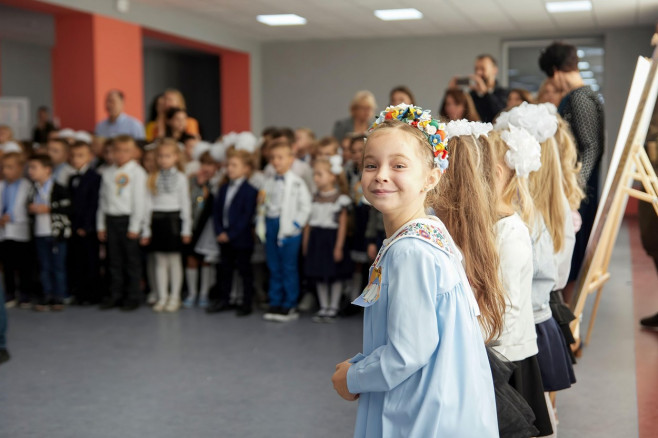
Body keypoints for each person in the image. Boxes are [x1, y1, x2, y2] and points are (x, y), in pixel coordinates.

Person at [332, 104, 498, 437]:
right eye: (370, 164)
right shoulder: (427, 231)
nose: (380, 174)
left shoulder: (410, 251)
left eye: (398, 165)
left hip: (422, 416)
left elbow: (408, 352)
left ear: (431, 177)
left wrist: (352, 378)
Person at [479, 128, 554, 436]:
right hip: (492, 351)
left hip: (506, 358)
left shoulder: (511, 233)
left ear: (494, 173)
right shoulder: (490, 225)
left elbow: (505, 309)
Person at [539, 41, 604, 284]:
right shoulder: (582, 96)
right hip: (576, 186)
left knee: (573, 254)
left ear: (555, 72)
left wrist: (575, 187)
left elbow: (591, 146)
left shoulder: (580, 98)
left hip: (579, 190)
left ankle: (569, 312)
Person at [262, 139, 312, 322]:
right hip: (271, 225)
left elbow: (305, 207)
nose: (276, 161)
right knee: (274, 267)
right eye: (273, 158)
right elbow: (264, 205)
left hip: (289, 231)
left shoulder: (297, 182)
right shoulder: (268, 182)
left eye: (280, 157)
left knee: (289, 267)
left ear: (290, 159)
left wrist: (296, 226)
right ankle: (275, 301)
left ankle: (290, 304)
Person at [97, 136, 147, 311]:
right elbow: (103, 201)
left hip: (128, 220)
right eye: (117, 150)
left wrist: (135, 226)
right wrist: (101, 225)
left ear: (133, 152)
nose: (121, 154)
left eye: (126, 150)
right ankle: (115, 294)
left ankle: (133, 296)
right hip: (111, 219)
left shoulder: (137, 172)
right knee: (114, 260)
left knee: (131, 261)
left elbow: (139, 202)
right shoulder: (108, 172)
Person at [141, 139, 192, 313]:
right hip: (157, 220)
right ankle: (162, 295)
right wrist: (146, 228)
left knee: (174, 261)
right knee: (159, 261)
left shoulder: (181, 178)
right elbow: (147, 205)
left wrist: (186, 228)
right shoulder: (151, 177)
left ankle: (175, 296)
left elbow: (185, 205)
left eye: (168, 156)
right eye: (161, 156)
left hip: (174, 220)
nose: (164, 160)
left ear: (176, 157)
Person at [207, 149, 258, 316]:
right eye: (228, 165)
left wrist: (231, 233)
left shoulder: (251, 190)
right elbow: (216, 213)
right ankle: (224, 299)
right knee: (225, 270)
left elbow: (246, 216)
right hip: (223, 237)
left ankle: (246, 302)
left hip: (240, 238)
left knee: (244, 271)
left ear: (246, 168)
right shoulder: (222, 189)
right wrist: (220, 231)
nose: (230, 169)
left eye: (234, 165)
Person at [302, 156, 352, 323]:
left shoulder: (340, 199)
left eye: (319, 174)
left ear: (332, 176)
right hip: (316, 239)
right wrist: (306, 242)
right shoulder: (313, 197)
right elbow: (308, 223)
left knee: (335, 275)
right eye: (314, 175)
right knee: (319, 274)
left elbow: (342, 226)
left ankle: (334, 306)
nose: (316, 178)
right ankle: (323, 306)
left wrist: (338, 247)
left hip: (331, 240)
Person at [27, 154, 72, 312]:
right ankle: (47, 294)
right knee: (44, 266)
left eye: (34, 167)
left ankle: (60, 295)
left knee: (58, 266)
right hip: (40, 232)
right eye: (30, 168)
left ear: (47, 170)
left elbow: (67, 206)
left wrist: (50, 208)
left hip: (56, 233)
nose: (30, 171)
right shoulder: (33, 188)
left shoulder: (58, 187)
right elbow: (29, 206)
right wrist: (31, 209)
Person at [68, 140, 102, 305]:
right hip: (75, 226)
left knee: (91, 261)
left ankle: (93, 294)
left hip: (88, 227)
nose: (76, 159)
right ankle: (80, 293)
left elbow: (93, 204)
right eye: (73, 155)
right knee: (78, 260)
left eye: (80, 155)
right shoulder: (72, 177)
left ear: (90, 157)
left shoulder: (94, 177)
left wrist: (86, 226)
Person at [183, 151, 218, 309]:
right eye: (204, 163)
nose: (207, 168)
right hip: (193, 225)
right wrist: (196, 182)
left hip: (208, 228)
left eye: (211, 164)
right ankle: (192, 293)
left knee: (206, 260)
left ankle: (204, 293)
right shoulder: (191, 181)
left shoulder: (217, 183)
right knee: (191, 259)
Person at [0, 153, 34, 308]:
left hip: (20, 230)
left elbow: (24, 207)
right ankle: (10, 294)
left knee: (24, 265)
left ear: (20, 168)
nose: (6, 171)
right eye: (4, 167)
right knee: (7, 265)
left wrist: (11, 216)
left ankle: (25, 295)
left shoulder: (27, 185)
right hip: (4, 231)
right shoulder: (1, 185)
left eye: (10, 167)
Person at [449, 54, 509, 123]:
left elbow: (502, 115)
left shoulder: (505, 93)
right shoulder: (471, 95)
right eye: (476, 69)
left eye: (483, 69)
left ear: (494, 70)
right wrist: (452, 92)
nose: (478, 72)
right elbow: (458, 115)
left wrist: (486, 94)